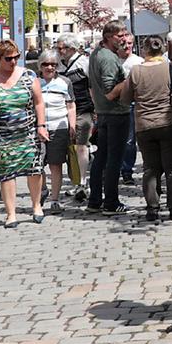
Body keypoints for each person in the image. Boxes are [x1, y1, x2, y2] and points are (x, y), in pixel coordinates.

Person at [0, 40, 49, 227]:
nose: (14, 61)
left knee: (34, 169)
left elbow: (39, 102)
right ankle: (11, 213)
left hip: (28, 132)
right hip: (1, 135)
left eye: (17, 57)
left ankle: (36, 205)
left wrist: (41, 125)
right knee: (7, 172)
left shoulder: (29, 76)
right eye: (9, 58)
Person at [125, 36, 172, 222]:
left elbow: (125, 98)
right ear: (162, 49)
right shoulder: (170, 68)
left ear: (144, 50)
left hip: (144, 125)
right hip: (167, 123)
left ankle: (152, 209)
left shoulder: (136, 70)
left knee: (150, 168)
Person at [86, 23, 132, 216]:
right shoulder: (108, 58)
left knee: (101, 157)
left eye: (123, 35)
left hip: (104, 114)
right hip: (115, 114)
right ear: (108, 36)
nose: (122, 39)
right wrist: (130, 80)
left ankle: (95, 200)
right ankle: (111, 202)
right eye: (119, 35)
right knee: (114, 159)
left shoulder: (97, 53)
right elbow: (109, 92)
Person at [36, 50, 75, 214]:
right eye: (46, 64)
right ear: (40, 65)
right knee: (37, 165)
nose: (49, 67)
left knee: (55, 164)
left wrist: (72, 125)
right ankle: (43, 189)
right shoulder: (35, 82)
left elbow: (71, 105)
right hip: (38, 127)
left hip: (59, 127)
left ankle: (55, 199)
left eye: (53, 64)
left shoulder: (65, 82)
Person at [56, 35, 94, 202]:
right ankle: (77, 181)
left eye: (62, 48)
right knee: (70, 147)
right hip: (63, 111)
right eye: (58, 48)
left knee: (80, 145)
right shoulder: (58, 64)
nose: (59, 51)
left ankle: (83, 182)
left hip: (83, 109)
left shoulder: (83, 63)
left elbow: (92, 85)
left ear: (72, 48)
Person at [120, 33, 145, 184]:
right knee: (123, 140)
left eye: (130, 43)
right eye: (124, 43)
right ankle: (121, 169)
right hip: (118, 104)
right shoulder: (114, 60)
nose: (127, 46)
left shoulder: (138, 61)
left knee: (132, 140)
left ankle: (127, 170)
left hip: (136, 104)